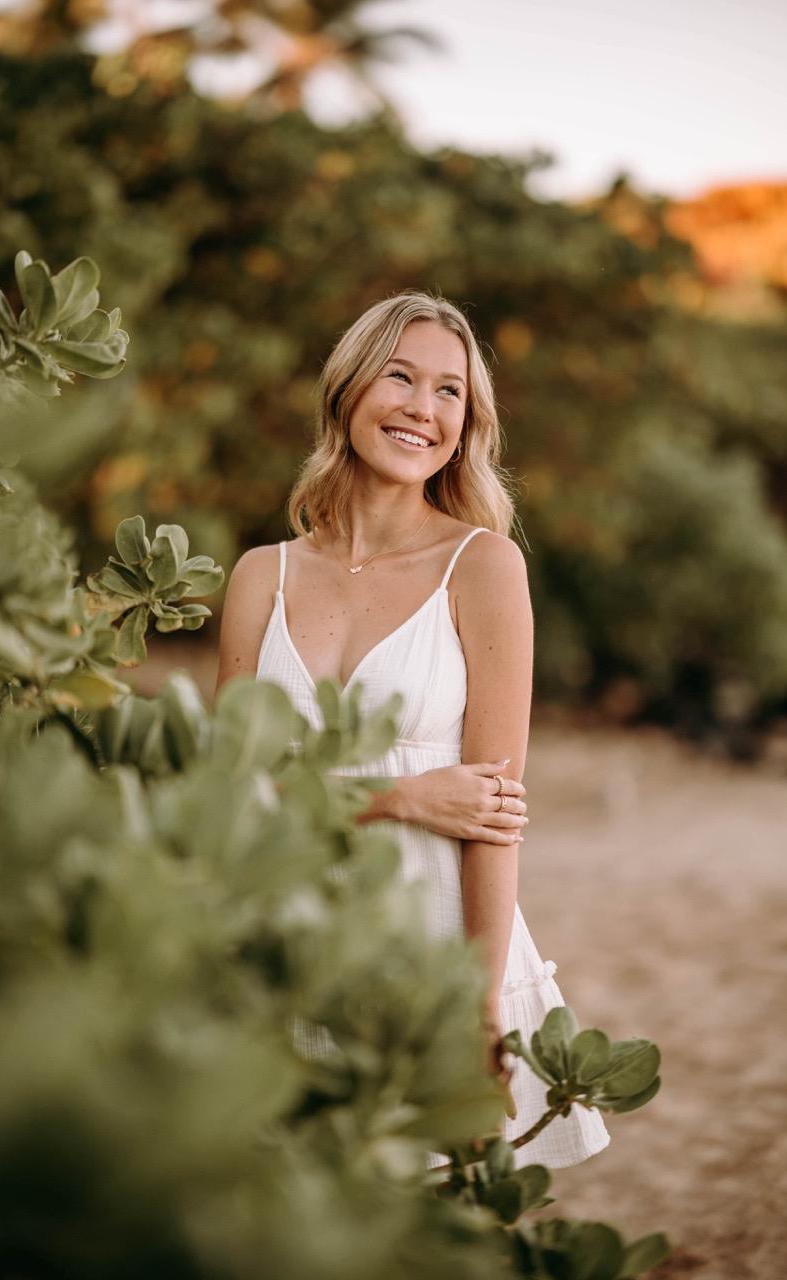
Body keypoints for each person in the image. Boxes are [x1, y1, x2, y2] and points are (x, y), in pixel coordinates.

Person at [214, 291, 610, 1169]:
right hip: (283, 945)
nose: (421, 409)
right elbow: (225, 799)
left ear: (467, 424)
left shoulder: (484, 568)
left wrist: (476, 1015)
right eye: (399, 377)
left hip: (432, 944)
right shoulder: (258, 577)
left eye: (448, 392)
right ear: (349, 388)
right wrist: (401, 795)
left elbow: (493, 813)